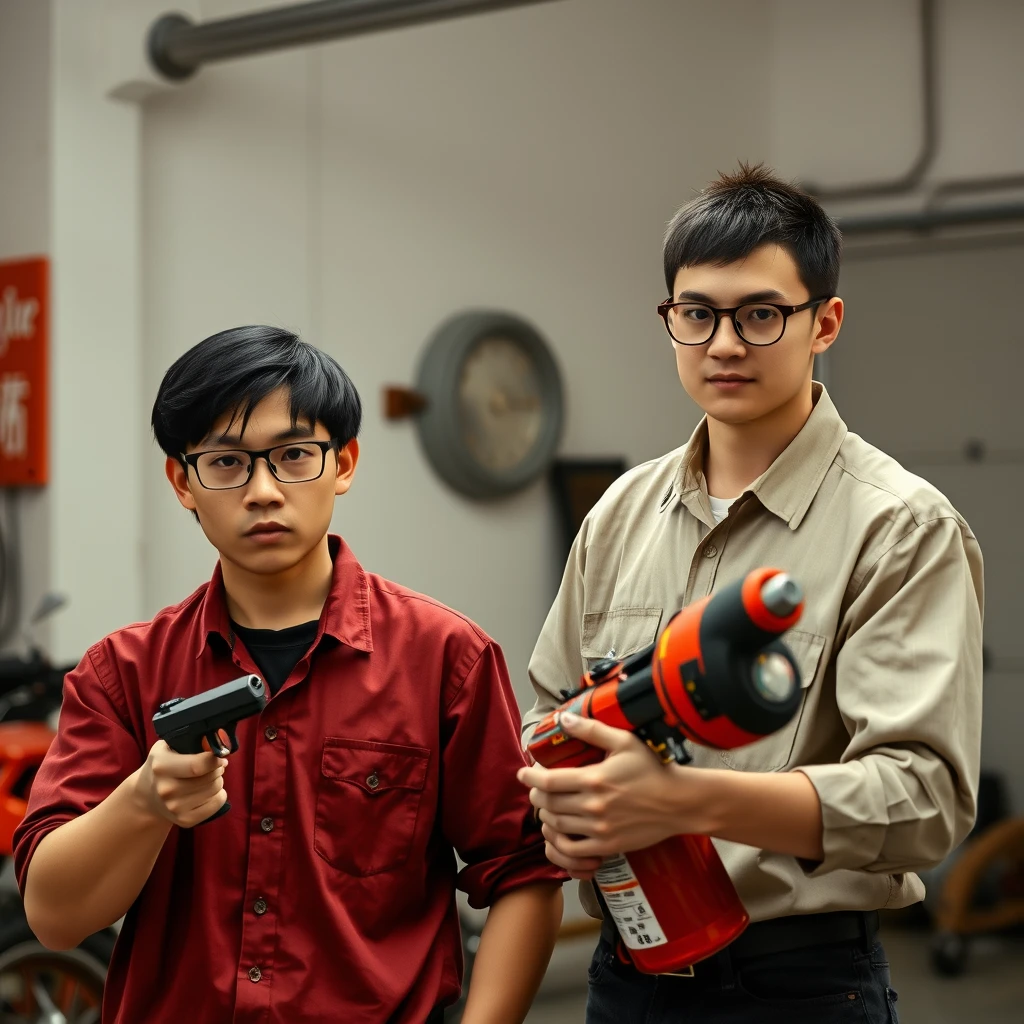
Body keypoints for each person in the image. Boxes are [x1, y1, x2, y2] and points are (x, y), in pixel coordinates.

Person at [518, 164, 983, 1023]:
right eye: (696, 314)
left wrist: (688, 800)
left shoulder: (901, 526)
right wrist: (566, 799)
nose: (724, 344)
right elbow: (547, 719)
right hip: (626, 981)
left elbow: (922, 799)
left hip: (799, 988)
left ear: (825, 323)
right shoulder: (622, 511)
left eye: (760, 314)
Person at [16, 325, 565, 1023]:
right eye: (226, 463)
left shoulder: (445, 658)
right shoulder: (121, 672)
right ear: (182, 481)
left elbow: (524, 875)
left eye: (294, 455)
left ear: (344, 464)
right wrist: (143, 804)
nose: (264, 491)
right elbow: (55, 919)